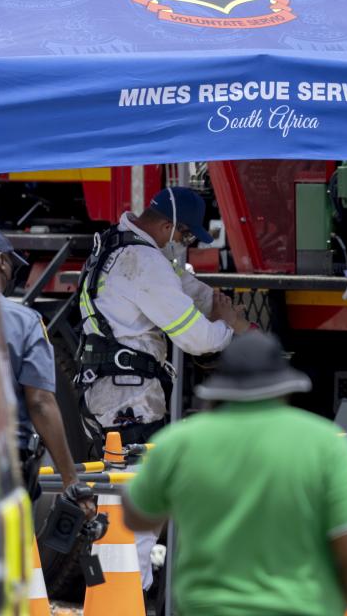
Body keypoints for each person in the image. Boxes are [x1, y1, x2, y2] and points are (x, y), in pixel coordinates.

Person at [123, 331, 347, 616]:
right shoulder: (327, 443)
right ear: (285, 388)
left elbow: (136, 515)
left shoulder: (179, 442)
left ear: (220, 389)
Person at [76, 185, 251, 589]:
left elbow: (184, 290)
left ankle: (115, 593)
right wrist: (228, 328)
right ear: (168, 226)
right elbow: (198, 340)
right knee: (137, 507)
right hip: (129, 398)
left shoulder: (118, 244)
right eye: (186, 236)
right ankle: (126, 595)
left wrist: (221, 307)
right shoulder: (143, 261)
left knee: (119, 500)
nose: (186, 245)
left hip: (110, 390)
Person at [0, 231, 92, 518]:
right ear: (1, 261)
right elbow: (40, 402)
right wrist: (70, 479)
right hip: (5, 468)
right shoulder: (24, 322)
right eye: (12, 265)